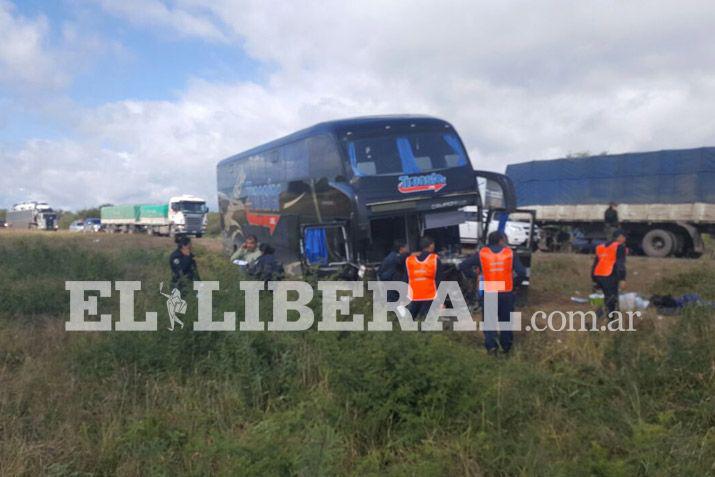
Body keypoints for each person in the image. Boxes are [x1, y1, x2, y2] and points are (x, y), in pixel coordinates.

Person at [459, 231, 527, 355]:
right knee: (506, 321)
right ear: (501, 240)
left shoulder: (482, 254)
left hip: (489, 291)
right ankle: (506, 348)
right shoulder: (510, 253)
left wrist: (475, 275)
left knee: (489, 322)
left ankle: (491, 347)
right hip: (506, 292)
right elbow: (522, 273)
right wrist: (515, 284)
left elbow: (463, 266)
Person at [592, 228, 627, 319]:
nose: (625, 239)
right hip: (609, 275)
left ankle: (597, 317)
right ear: (619, 237)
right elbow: (620, 264)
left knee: (598, 297)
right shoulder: (620, 247)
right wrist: (622, 278)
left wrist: (593, 279)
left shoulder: (600, 246)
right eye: (624, 237)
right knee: (612, 299)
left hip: (597, 275)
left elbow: (595, 263)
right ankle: (611, 321)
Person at [405, 236, 442, 320]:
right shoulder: (435, 259)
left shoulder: (410, 260)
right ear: (431, 245)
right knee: (426, 318)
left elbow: (405, 279)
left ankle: (406, 331)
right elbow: (440, 279)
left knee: (411, 318)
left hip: (414, 294)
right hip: (429, 294)